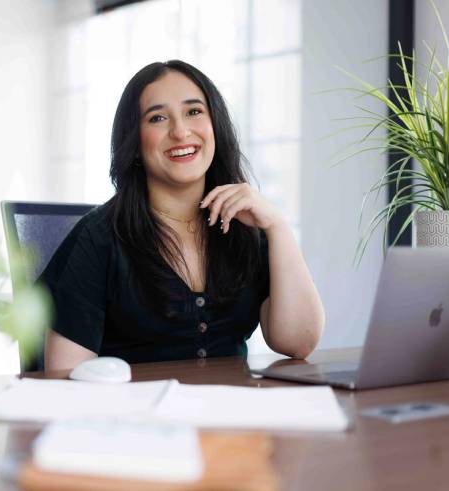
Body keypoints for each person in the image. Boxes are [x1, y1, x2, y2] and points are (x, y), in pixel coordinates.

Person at [40, 60, 324, 371]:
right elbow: (65, 376)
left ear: (215, 124)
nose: (180, 131)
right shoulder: (98, 237)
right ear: (134, 142)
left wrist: (276, 226)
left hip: (232, 414)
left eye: (194, 111)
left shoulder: (247, 227)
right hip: (135, 415)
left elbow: (299, 343)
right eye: (158, 118)